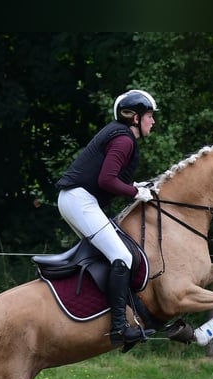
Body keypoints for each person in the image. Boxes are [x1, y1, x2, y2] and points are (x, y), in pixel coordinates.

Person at [56, 89, 158, 346]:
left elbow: (109, 179)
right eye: (149, 116)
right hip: (80, 201)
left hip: (78, 199)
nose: (153, 121)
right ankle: (119, 329)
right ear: (134, 118)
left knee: (108, 254)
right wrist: (136, 192)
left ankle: (105, 315)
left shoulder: (121, 136)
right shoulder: (124, 140)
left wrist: (136, 185)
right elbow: (106, 180)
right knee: (122, 256)